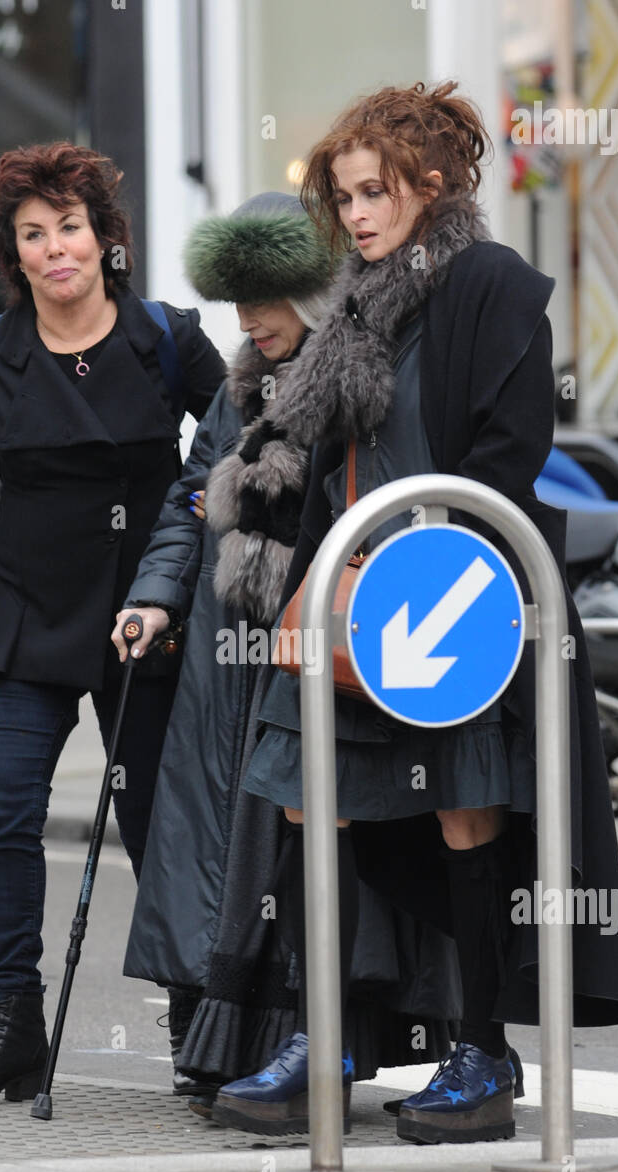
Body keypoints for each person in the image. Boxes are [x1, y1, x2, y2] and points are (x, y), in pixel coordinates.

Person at [202, 80, 618, 1142]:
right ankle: (332, 1033)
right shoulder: (347, 306)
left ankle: (481, 1055)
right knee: (313, 802)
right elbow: (320, 466)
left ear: (429, 187)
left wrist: (426, 570)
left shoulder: (493, 284)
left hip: (457, 600)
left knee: (465, 815)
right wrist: (301, 574)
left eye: (372, 193)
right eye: (342, 197)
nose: (352, 216)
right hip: (344, 593)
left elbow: (508, 457)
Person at [0, 142, 225, 1106]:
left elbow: (242, 445)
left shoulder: (167, 337)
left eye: (69, 227)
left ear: (104, 237)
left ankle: (199, 1020)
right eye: (32, 235)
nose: (54, 249)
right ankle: (12, 1029)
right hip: (24, 610)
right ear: (15, 255)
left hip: (143, 612)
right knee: (1, 812)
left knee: (164, 822)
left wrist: (198, 544)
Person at [114, 193, 459, 1107]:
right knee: (232, 860)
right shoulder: (239, 386)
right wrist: (153, 597)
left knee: (297, 854)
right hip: (223, 666)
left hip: (313, 659)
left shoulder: (354, 377)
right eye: (237, 303)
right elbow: (191, 498)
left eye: (267, 299)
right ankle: (227, 1045)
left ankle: (314, 1048)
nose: (251, 321)